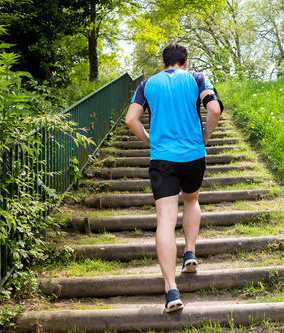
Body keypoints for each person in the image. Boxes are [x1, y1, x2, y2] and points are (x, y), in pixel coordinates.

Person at [125, 43, 224, 312]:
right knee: (191, 201)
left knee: (165, 221)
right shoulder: (197, 78)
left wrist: (149, 141)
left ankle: (171, 291)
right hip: (193, 155)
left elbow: (131, 119)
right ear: (186, 61)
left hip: (162, 158)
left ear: (164, 63)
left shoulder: (147, 84)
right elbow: (214, 109)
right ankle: (189, 252)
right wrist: (206, 136)